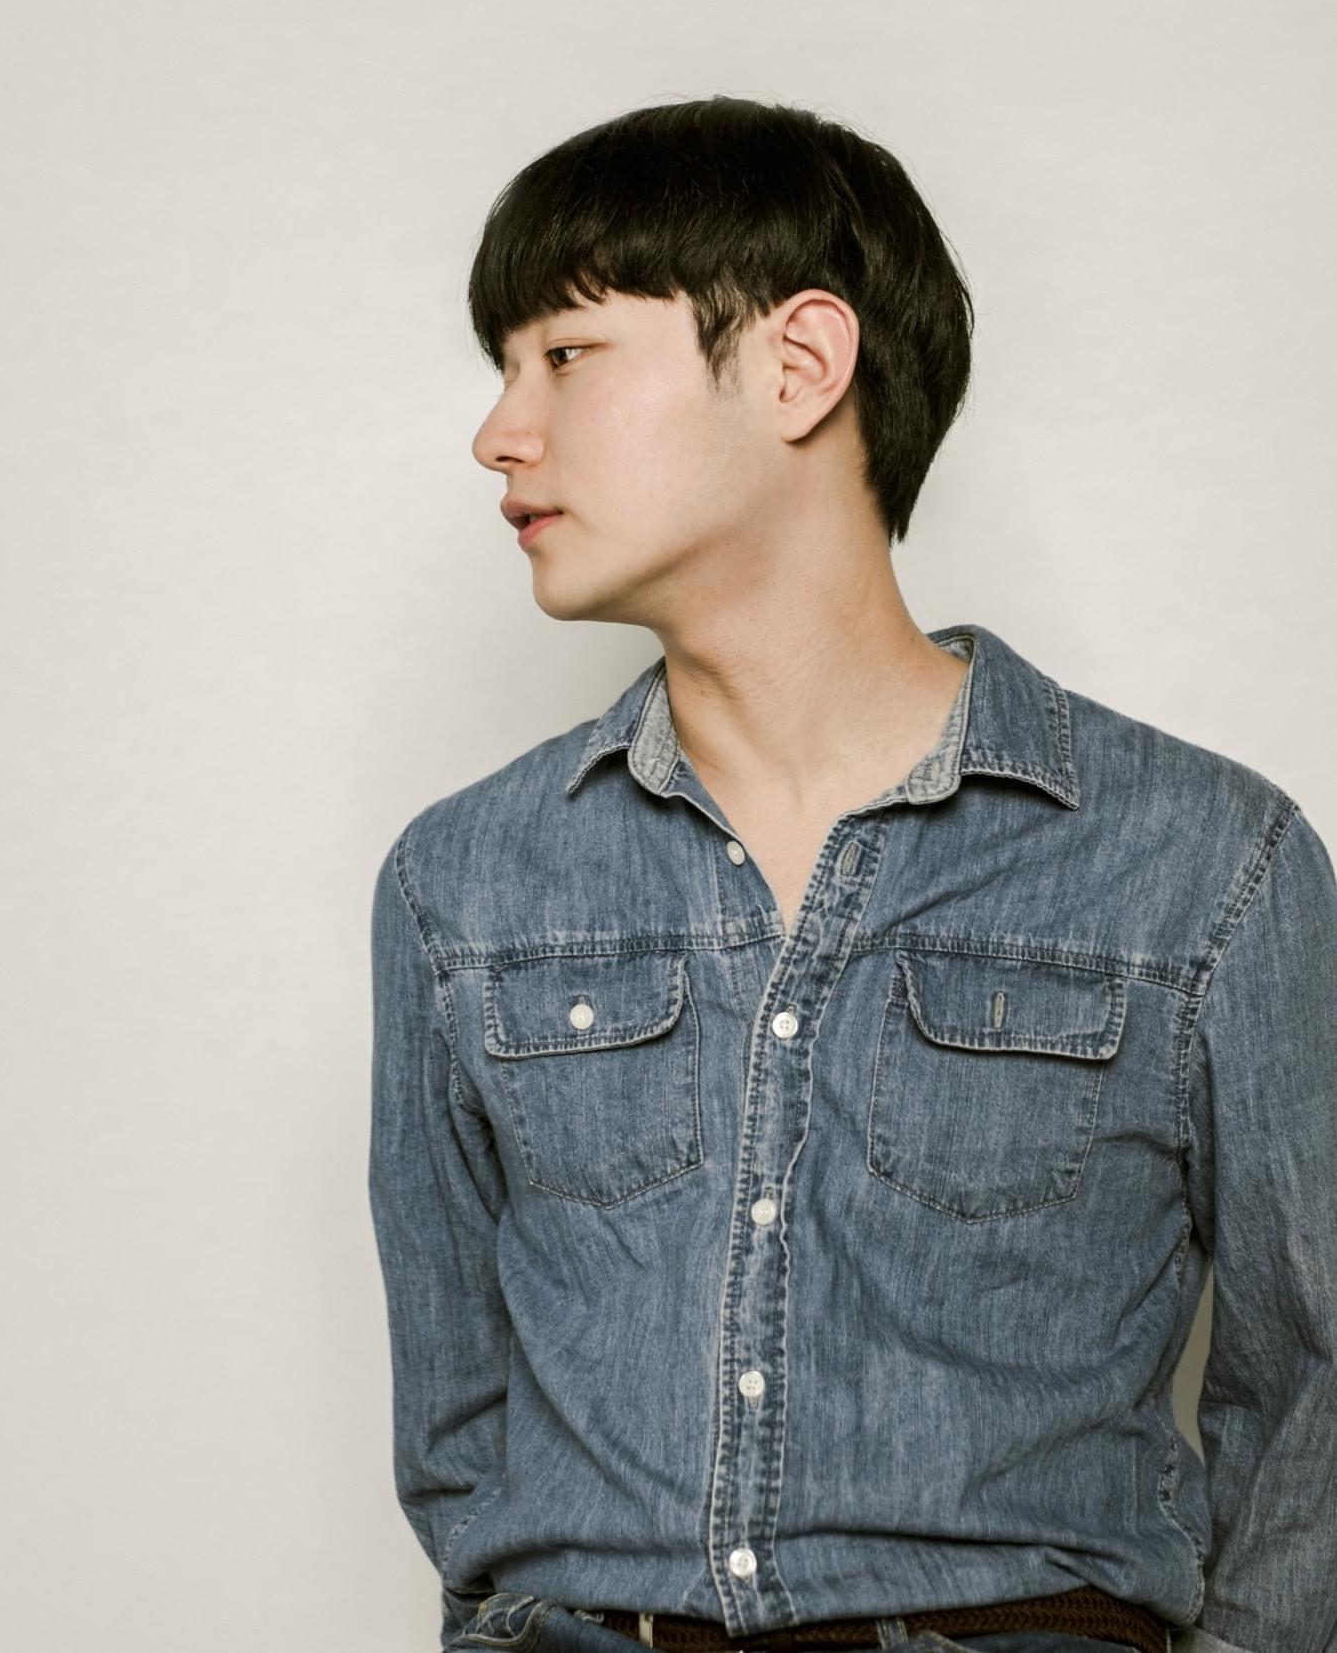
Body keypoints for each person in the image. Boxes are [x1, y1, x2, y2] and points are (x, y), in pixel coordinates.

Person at [365, 96, 1337, 1653]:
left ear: (800, 364)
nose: (500, 431)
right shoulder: (461, 882)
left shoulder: (1208, 865)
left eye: (565, 353)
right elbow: (459, 1420)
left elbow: (1316, 1387)